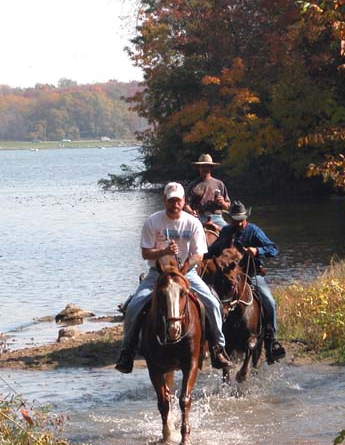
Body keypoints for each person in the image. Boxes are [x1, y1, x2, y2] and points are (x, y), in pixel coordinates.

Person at [115, 182, 232, 373]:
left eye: (178, 200)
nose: (175, 204)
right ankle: (127, 351)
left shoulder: (192, 223)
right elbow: (145, 253)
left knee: (212, 303)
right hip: (158, 273)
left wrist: (185, 268)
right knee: (135, 305)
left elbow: (199, 255)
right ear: (165, 201)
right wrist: (164, 251)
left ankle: (218, 347)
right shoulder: (153, 221)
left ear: (184, 201)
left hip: (187, 273)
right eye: (171, 201)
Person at [205, 200, 286, 365]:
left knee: (269, 301)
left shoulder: (253, 231)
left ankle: (271, 341)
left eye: (241, 219)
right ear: (230, 219)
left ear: (245, 218)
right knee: (208, 300)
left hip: (251, 274)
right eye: (236, 219)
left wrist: (258, 250)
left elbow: (273, 249)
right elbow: (212, 251)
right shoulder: (226, 231)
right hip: (228, 277)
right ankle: (209, 343)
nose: (239, 222)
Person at [184, 153, 231, 227]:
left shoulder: (219, 184)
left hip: (217, 217)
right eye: (202, 166)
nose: (204, 169)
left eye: (207, 166)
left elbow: (227, 206)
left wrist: (222, 202)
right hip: (199, 216)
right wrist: (191, 212)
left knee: (230, 233)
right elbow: (186, 204)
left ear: (211, 168)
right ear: (199, 168)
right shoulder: (192, 185)